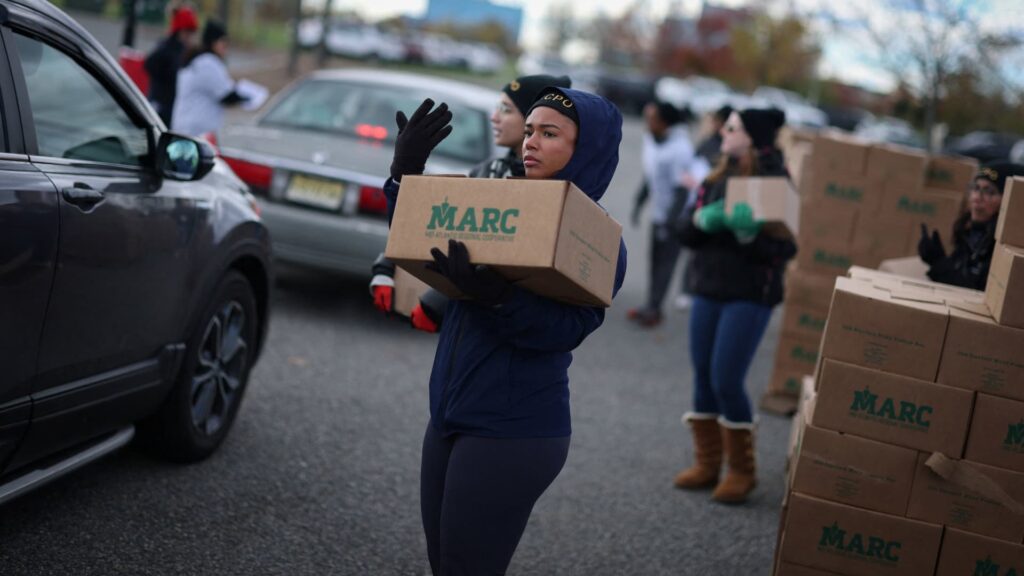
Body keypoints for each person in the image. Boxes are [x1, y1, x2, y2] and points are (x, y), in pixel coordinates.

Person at [383, 89, 627, 575]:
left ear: (588, 149)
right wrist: (403, 175)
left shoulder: (598, 241)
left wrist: (500, 298)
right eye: (530, 131)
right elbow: (421, 235)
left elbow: (566, 330)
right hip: (449, 415)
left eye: (550, 134)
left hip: (514, 431)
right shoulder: (505, 204)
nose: (530, 143)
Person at [370, 74, 572, 333]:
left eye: (506, 110)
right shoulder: (487, 170)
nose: (494, 117)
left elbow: (500, 272)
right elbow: (438, 229)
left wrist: (437, 303)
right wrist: (386, 265)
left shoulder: (553, 194)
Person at [674, 108, 795, 504]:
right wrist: (700, 220)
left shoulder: (775, 181)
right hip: (707, 287)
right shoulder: (715, 174)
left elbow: (785, 249)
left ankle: (742, 470)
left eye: (733, 127)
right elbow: (684, 234)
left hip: (750, 294)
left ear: (754, 138)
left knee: (726, 378)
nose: (723, 131)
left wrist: (750, 236)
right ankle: (707, 463)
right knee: (703, 376)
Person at [628, 101, 709, 326]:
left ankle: (654, 309)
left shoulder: (680, 148)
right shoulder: (650, 140)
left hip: (677, 216)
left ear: (665, 122)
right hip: (659, 213)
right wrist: (638, 203)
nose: (647, 122)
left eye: (651, 118)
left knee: (666, 262)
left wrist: (670, 223)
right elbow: (650, 175)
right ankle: (650, 304)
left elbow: (682, 190)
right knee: (654, 259)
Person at [919, 161, 1024, 290]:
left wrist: (939, 263)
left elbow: (975, 290)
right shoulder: (968, 233)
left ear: (1008, 201)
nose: (977, 197)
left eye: (989, 192)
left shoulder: (1002, 248)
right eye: (975, 188)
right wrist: (939, 259)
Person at [171, 21, 247, 138]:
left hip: (184, 127)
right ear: (213, 43)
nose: (226, 49)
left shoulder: (196, 59)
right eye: (223, 44)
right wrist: (249, 97)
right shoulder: (208, 62)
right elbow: (227, 96)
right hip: (196, 132)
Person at [143, 4, 198, 127]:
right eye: (187, 32)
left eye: (191, 32)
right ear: (179, 31)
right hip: (162, 104)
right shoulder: (167, 49)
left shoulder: (182, 50)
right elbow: (149, 65)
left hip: (173, 106)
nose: (190, 36)